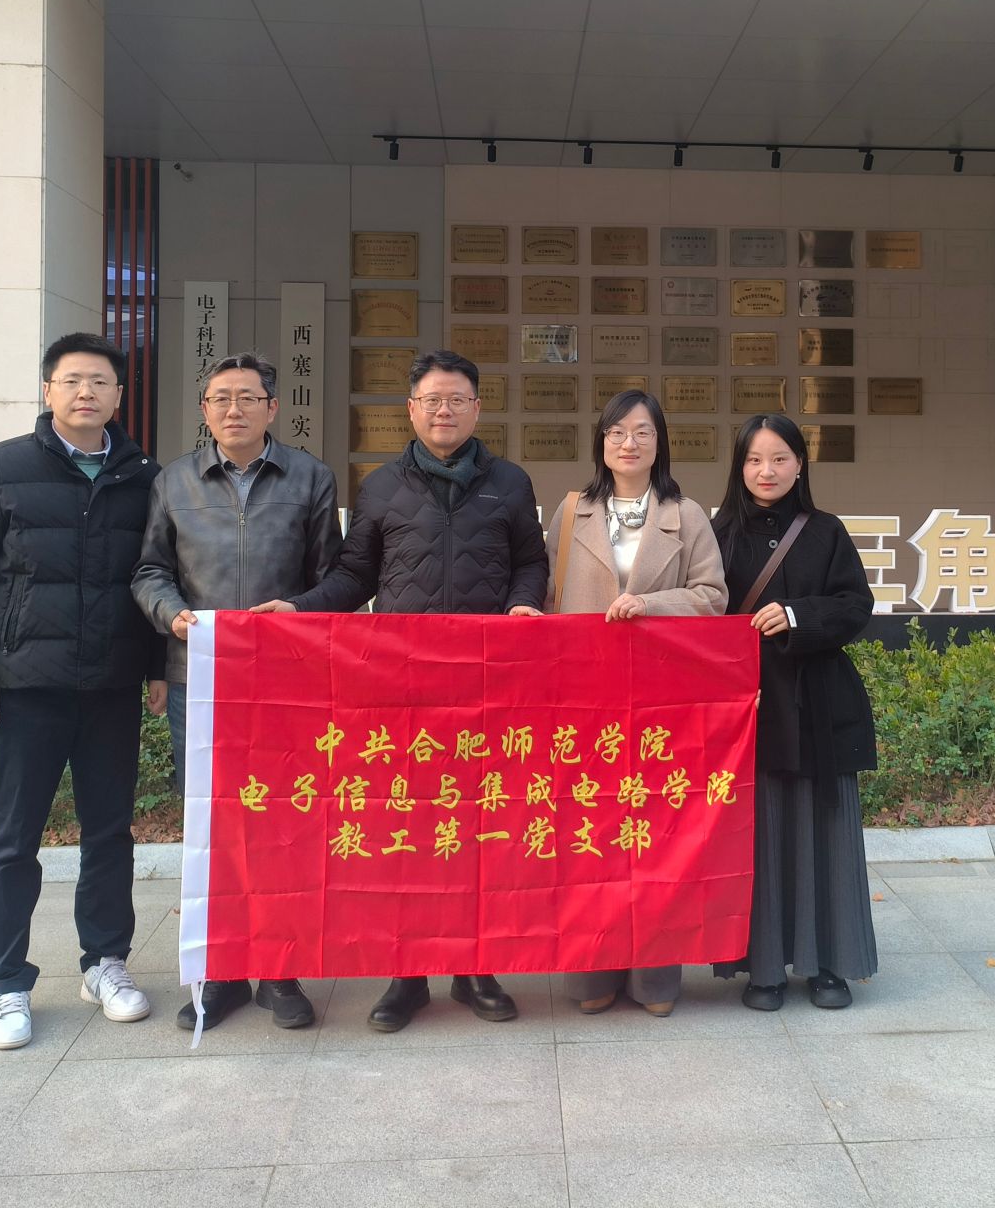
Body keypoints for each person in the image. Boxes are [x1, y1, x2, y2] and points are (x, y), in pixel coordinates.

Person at [282, 350, 548, 1032]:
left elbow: (531, 561)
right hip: (405, 689)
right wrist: (299, 611)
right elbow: (354, 577)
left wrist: (523, 603)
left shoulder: (510, 483)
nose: (444, 411)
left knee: (481, 826)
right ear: (410, 409)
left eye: (457, 399)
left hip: (487, 686)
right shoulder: (379, 487)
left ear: (477, 408)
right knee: (409, 827)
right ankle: (408, 974)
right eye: (431, 399)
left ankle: (476, 969)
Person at [0, 332, 166, 1050]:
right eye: (71, 381)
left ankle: (106, 962)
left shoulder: (145, 477)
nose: (85, 393)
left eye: (99, 382)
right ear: (48, 390)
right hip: (24, 687)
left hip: (111, 687)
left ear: (120, 395)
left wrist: (159, 667)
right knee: (13, 841)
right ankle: (5, 984)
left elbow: (161, 575)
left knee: (110, 833)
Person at [132, 352, 342, 1034]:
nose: (234, 409)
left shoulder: (309, 477)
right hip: (200, 678)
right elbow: (149, 571)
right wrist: (172, 615)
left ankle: (279, 970)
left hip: (286, 680)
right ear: (205, 410)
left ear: (272, 408)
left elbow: (334, 578)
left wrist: (300, 612)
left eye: (248, 397)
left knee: (283, 822)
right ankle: (219, 971)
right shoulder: (174, 481)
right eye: (221, 397)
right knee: (212, 823)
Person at [544, 389, 727, 1016]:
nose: (629, 442)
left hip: (661, 700)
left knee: (654, 834)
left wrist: (651, 605)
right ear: (601, 441)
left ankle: (655, 978)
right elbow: (547, 597)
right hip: (584, 698)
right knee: (588, 833)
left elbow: (712, 596)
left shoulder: (687, 514)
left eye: (643, 432)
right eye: (617, 431)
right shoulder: (572, 511)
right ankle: (591, 973)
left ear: (659, 442)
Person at [711, 414, 878, 1011]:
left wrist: (797, 614)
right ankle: (764, 969)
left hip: (816, 704)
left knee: (822, 834)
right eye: (755, 460)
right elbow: (699, 611)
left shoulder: (826, 531)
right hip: (747, 707)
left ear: (800, 464)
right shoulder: (718, 532)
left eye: (779, 458)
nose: (767, 471)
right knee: (758, 837)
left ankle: (830, 965)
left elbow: (856, 606)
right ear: (740, 467)